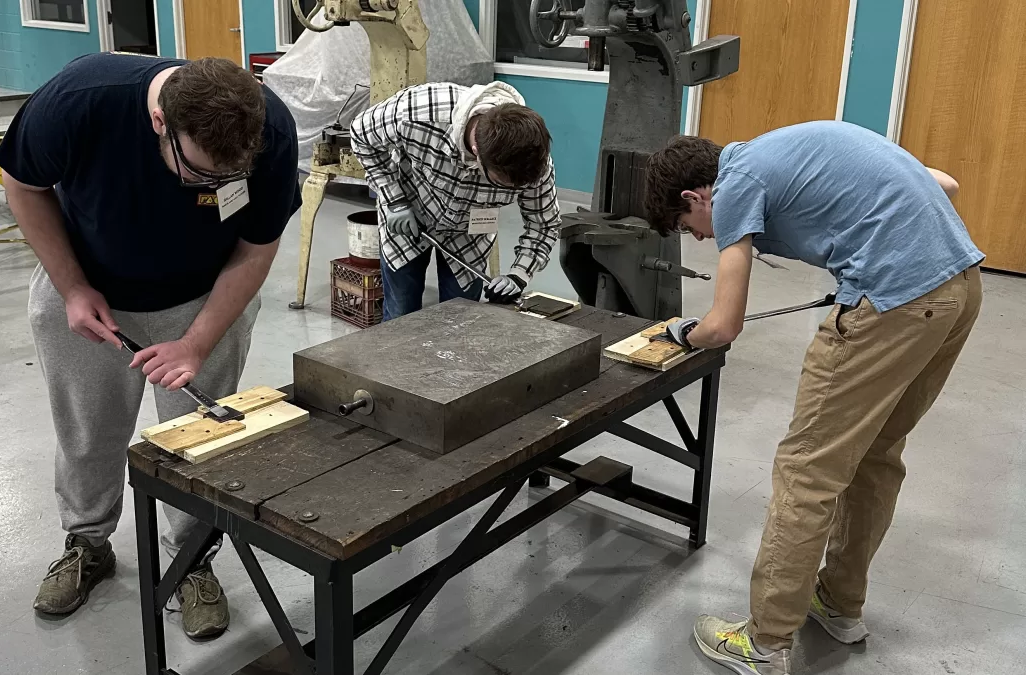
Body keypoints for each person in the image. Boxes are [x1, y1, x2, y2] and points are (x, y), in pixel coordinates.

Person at [644, 121, 983, 675]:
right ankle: (840, 605)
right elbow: (943, 183)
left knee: (807, 470)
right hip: (959, 287)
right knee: (874, 454)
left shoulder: (734, 185)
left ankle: (766, 641)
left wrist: (687, 332)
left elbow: (723, 326)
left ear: (696, 196)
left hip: (894, 301)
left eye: (689, 227)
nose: (700, 239)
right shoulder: (783, 151)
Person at [0, 53, 300, 639]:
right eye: (201, 175)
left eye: (227, 180)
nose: (214, 190)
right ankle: (87, 543)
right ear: (160, 121)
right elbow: (23, 185)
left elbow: (256, 249)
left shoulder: (270, 129)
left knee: (199, 439)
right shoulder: (78, 101)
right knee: (88, 428)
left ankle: (192, 561)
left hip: (205, 296)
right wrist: (71, 287)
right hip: (88, 285)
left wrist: (196, 343)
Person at [349, 81, 560, 319]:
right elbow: (360, 134)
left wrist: (519, 274)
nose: (514, 189)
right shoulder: (418, 112)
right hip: (409, 217)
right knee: (401, 314)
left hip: (470, 236)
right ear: (477, 152)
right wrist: (394, 199)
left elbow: (544, 224)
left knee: (461, 321)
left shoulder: (534, 161)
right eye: (501, 183)